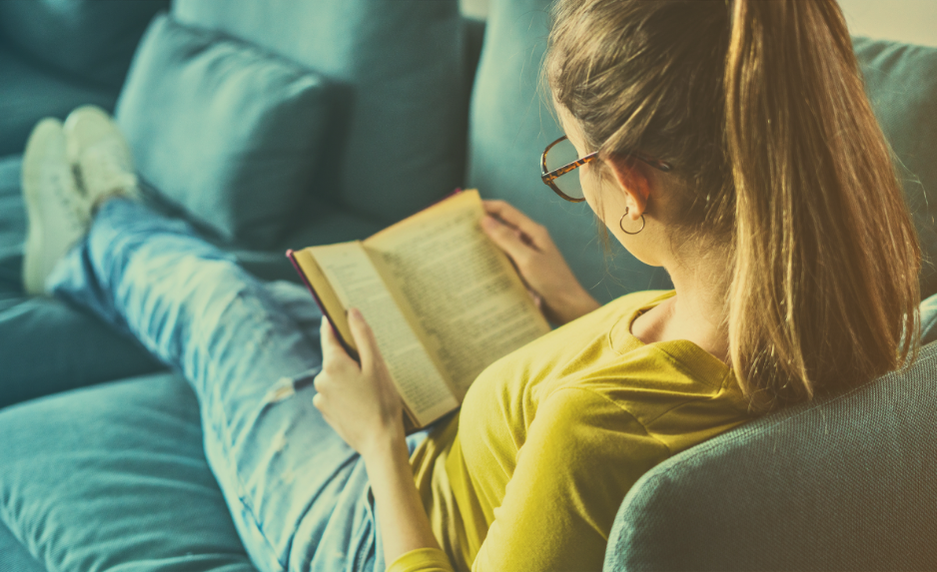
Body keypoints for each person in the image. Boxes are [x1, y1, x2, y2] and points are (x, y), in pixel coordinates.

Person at [18, 0, 920, 571]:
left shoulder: (589, 434)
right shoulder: (869, 315)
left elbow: (607, 431)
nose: (575, 176)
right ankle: (115, 228)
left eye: (574, 162)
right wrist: (579, 311)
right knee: (298, 304)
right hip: (446, 465)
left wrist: (375, 442)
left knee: (224, 309)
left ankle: (94, 231)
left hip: (371, 526)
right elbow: (673, 386)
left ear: (634, 185)